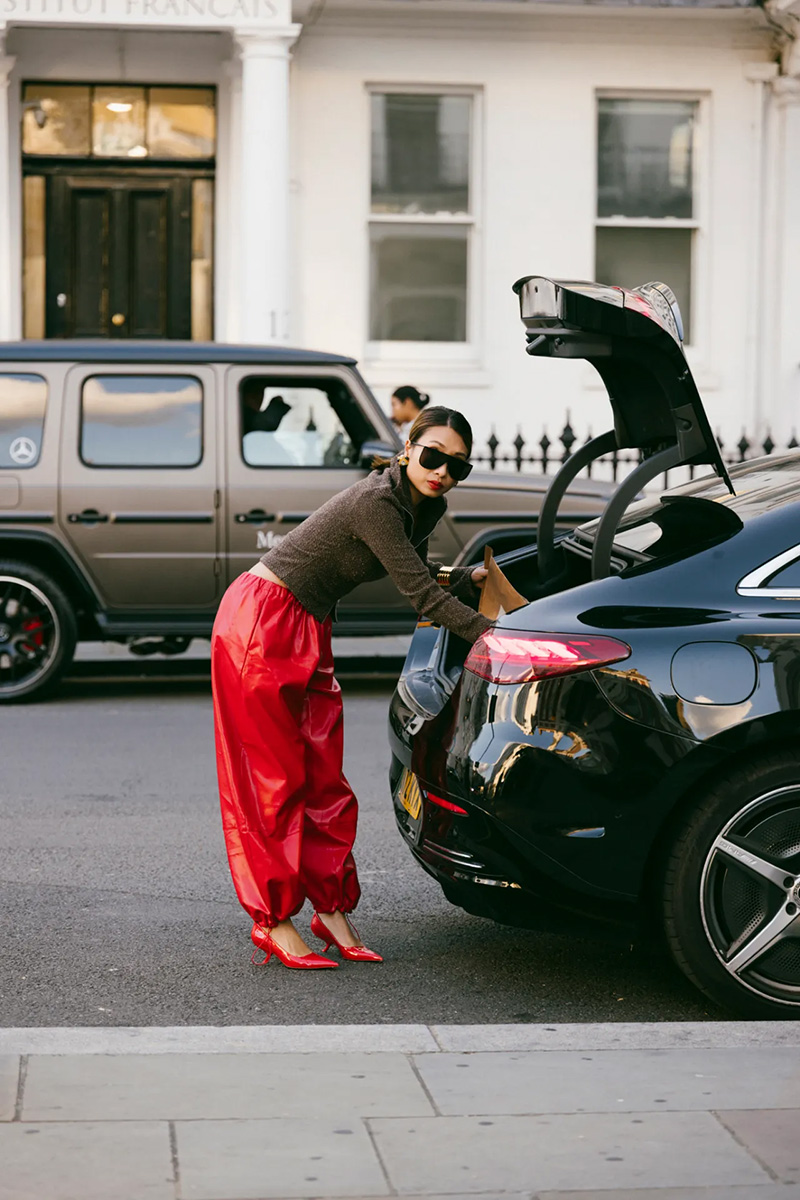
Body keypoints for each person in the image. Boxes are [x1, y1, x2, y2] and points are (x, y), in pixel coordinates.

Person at [211, 406, 492, 970]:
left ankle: (331, 908)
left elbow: (418, 571)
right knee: (273, 781)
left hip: (310, 622)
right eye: (432, 455)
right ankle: (274, 920)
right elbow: (421, 597)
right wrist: (498, 634)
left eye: (457, 466)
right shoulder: (376, 502)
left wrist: (468, 579)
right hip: (261, 622)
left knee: (324, 777)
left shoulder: (424, 505)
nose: (442, 472)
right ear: (408, 448)